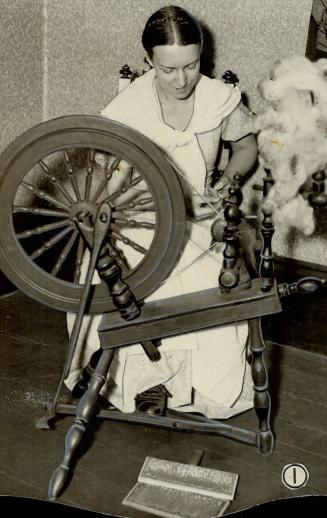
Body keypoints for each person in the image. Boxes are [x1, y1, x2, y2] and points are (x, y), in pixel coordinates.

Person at [65, 5, 258, 419]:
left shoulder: (217, 98)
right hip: (138, 219)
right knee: (124, 277)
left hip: (196, 219)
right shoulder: (126, 108)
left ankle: (184, 385)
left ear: (202, 55)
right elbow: (106, 177)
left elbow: (246, 145)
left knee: (206, 281)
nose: (182, 79)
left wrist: (231, 178)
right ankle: (143, 384)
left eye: (191, 65)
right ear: (149, 61)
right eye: (168, 69)